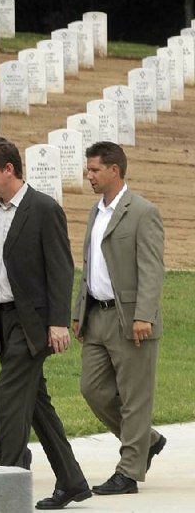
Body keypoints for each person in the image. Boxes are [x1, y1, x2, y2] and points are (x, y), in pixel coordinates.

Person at [0, 138, 90, 511]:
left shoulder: (43, 209)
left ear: (9, 169)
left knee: (7, 399)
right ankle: (71, 481)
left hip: (32, 323)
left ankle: (7, 487)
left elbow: (61, 267)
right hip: (3, 322)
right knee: (36, 404)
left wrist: (58, 322)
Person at [72, 141, 166, 495]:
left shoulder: (143, 211)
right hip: (96, 316)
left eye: (95, 169)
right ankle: (149, 440)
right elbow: (89, 268)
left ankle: (129, 472)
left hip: (132, 320)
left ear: (115, 170)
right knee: (92, 389)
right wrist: (79, 313)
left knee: (134, 398)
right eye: (88, 169)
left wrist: (144, 315)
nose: (89, 175)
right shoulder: (96, 212)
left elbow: (152, 270)